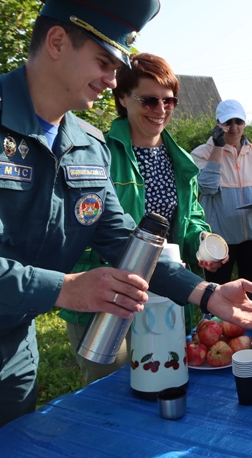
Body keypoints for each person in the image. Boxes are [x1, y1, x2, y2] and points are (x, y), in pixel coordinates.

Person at [0, 0, 252, 457]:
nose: (113, 82)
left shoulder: (86, 144)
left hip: (17, 348)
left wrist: (207, 293)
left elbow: (123, 241)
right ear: (56, 43)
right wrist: (64, 287)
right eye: (104, 63)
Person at [60, 52, 224, 384]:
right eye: (149, 100)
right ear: (122, 97)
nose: (160, 110)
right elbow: (86, 230)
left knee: (166, 381)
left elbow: (189, 218)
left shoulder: (179, 162)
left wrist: (202, 240)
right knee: (112, 392)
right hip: (106, 298)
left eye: (169, 101)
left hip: (165, 293)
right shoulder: (96, 155)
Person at [191, 99, 252, 305]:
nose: (233, 127)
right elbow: (207, 187)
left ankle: (249, 331)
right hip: (220, 237)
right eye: (227, 122)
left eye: (238, 121)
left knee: (251, 292)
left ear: (244, 123)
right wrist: (218, 148)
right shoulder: (201, 153)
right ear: (217, 124)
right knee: (215, 293)